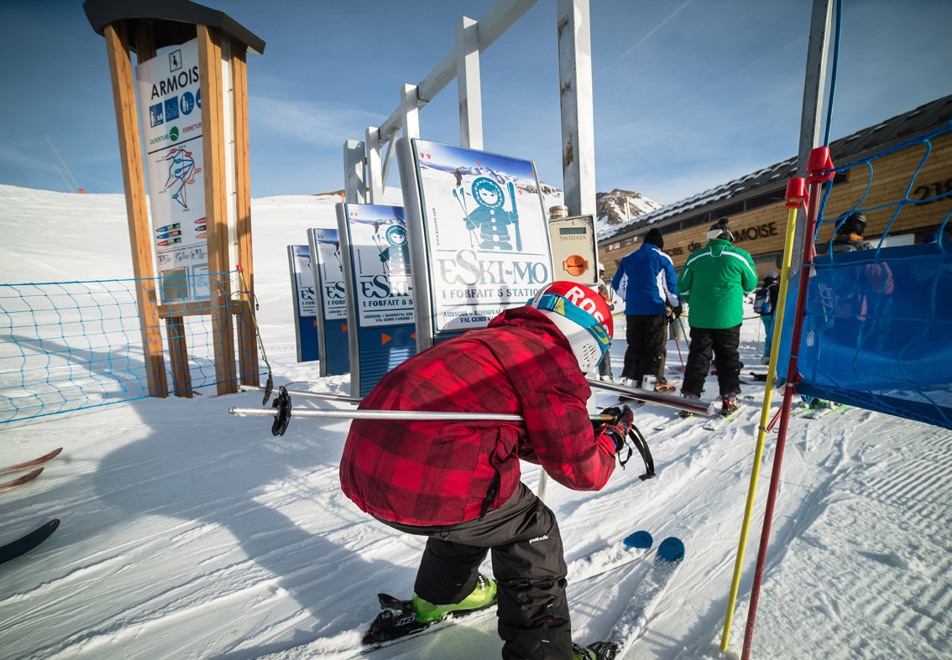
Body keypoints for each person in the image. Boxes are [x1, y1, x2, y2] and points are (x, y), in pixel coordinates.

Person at [340, 281, 634, 660]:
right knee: (532, 528)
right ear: (590, 343)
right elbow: (583, 473)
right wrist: (610, 438)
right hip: (427, 485)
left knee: (481, 505)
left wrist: (576, 430)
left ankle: (439, 599)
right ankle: (543, 655)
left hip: (365, 473)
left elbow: (496, 427)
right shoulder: (550, 363)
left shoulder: (489, 340)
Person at [677, 219, 758, 414]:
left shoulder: (695, 258)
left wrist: (695, 300)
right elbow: (751, 284)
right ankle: (729, 398)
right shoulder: (740, 256)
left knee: (698, 356)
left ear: (710, 237)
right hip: (728, 318)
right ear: (729, 237)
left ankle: (691, 397)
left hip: (700, 318)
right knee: (728, 357)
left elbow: (682, 288)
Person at [611, 227, 681, 391]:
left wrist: (630, 298)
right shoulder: (662, 258)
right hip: (654, 308)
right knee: (654, 346)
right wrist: (676, 305)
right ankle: (650, 383)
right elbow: (670, 287)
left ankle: (630, 382)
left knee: (634, 346)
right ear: (659, 246)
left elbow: (617, 284)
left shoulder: (628, 258)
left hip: (633, 311)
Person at [595, 262, 618, 382]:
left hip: (585, 320)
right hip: (599, 321)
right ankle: (606, 375)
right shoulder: (599, 284)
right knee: (603, 349)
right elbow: (608, 303)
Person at [755, 270, 780, 365]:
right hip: (772, 315)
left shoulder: (764, 287)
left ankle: (767, 356)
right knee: (773, 336)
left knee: (768, 336)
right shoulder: (776, 288)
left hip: (764, 315)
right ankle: (771, 357)